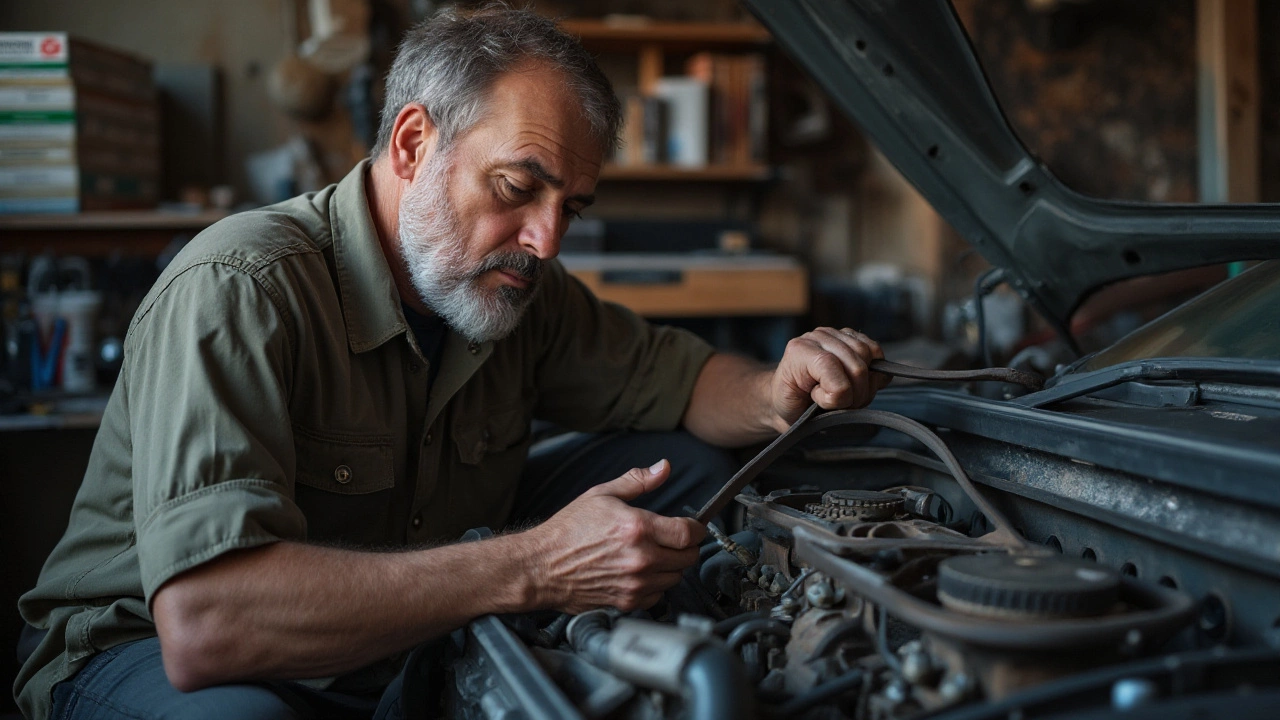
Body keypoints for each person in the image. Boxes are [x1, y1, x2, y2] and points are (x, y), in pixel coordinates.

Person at [14, 5, 888, 719]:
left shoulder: (513, 287)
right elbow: (209, 627)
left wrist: (779, 387)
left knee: (692, 465)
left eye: (569, 208)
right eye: (516, 188)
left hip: (401, 622)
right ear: (411, 145)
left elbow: (687, 382)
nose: (545, 240)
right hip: (146, 653)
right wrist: (538, 566)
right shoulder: (240, 287)